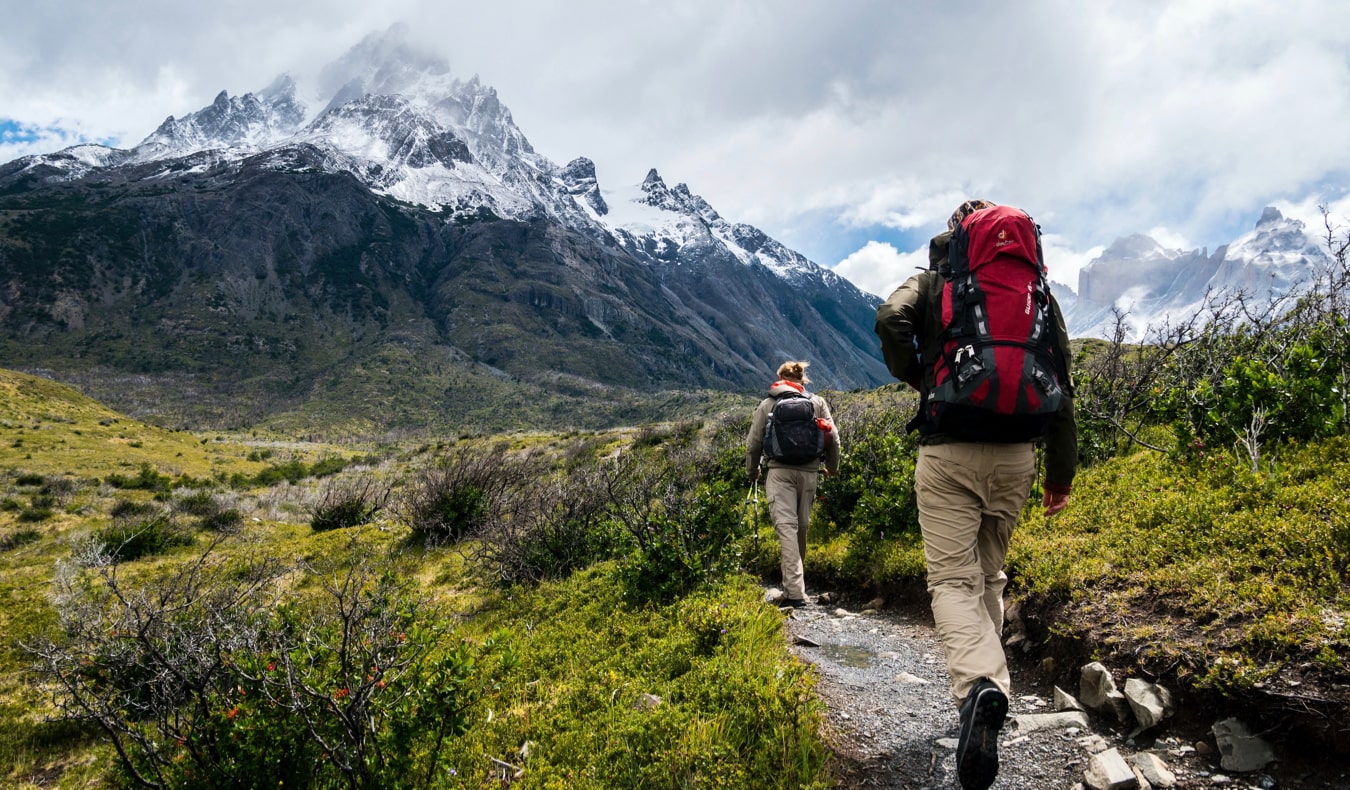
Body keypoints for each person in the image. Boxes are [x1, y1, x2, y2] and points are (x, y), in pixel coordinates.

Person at [874, 200, 1077, 790]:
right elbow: (1061, 377)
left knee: (952, 581)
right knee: (989, 575)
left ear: (958, 234)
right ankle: (993, 692)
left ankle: (980, 689)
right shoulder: (1036, 291)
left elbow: (890, 320)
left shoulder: (937, 280)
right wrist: (1060, 474)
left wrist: (917, 374)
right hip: (1018, 456)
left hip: (949, 450)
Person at [745, 361, 840, 608]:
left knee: (786, 528)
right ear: (802, 380)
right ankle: (796, 587)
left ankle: (795, 593)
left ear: (779, 379)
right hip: (809, 472)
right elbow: (834, 438)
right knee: (801, 527)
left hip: (779, 473)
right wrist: (832, 467)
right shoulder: (817, 402)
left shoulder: (768, 404)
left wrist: (753, 471)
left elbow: (753, 444)